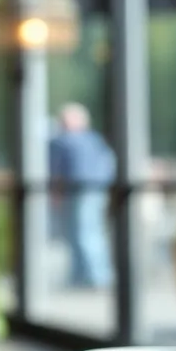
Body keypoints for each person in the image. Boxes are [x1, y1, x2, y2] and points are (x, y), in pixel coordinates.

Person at [49, 103, 116, 288]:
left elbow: (56, 172)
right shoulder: (95, 140)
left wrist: (55, 194)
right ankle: (85, 275)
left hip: (77, 191)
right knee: (88, 233)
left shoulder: (62, 142)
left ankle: (95, 276)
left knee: (81, 234)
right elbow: (109, 165)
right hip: (95, 191)